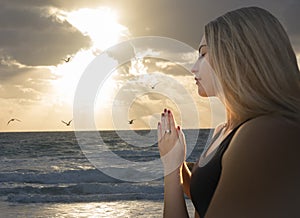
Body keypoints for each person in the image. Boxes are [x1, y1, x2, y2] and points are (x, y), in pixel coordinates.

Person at [157, 6, 300, 218]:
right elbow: (209, 193)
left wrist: (170, 170)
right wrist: (177, 163)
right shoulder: (223, 130)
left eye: (203, 54)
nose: (193, 68)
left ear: (238, 57)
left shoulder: (263, 133)